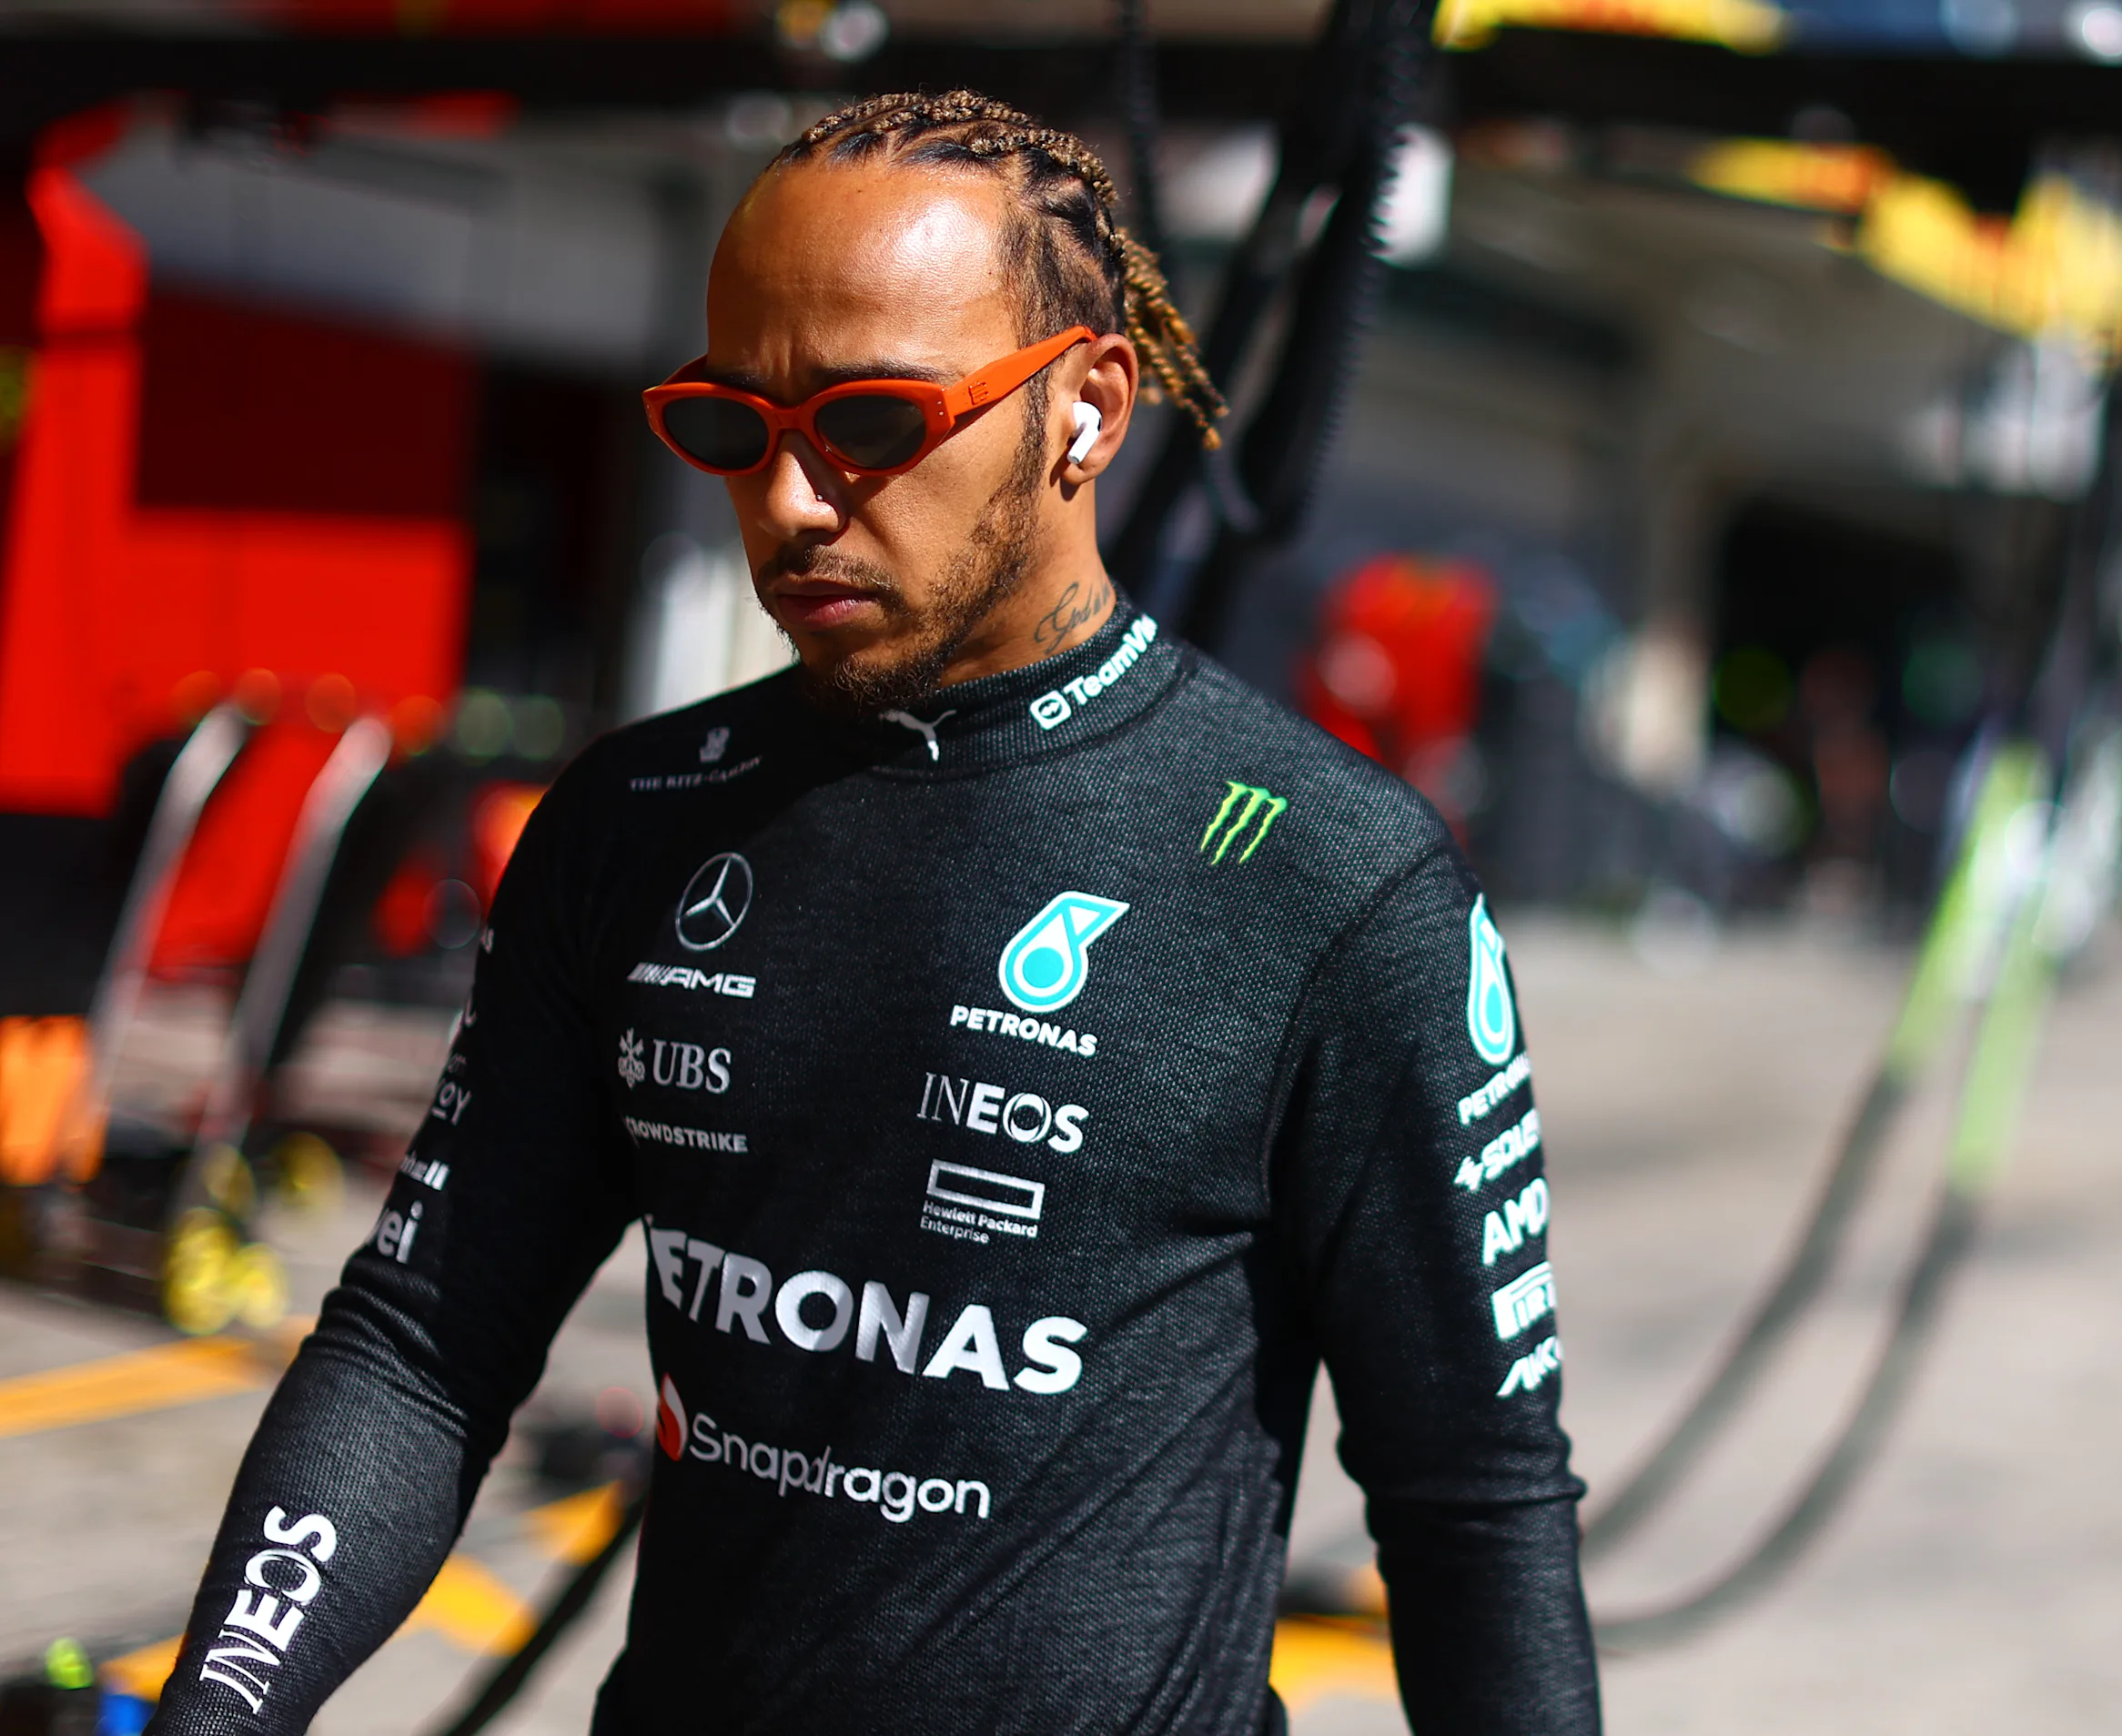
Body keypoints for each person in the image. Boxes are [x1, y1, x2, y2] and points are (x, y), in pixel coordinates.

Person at [152, 92, 1597, 1736]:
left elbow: (1474, 1501)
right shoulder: (633, 823)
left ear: (1087, 410)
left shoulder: (1332, 883)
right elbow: (424, 1343)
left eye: (871, 422)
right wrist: (221, 1709)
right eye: (728, 429)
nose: (787, 502)